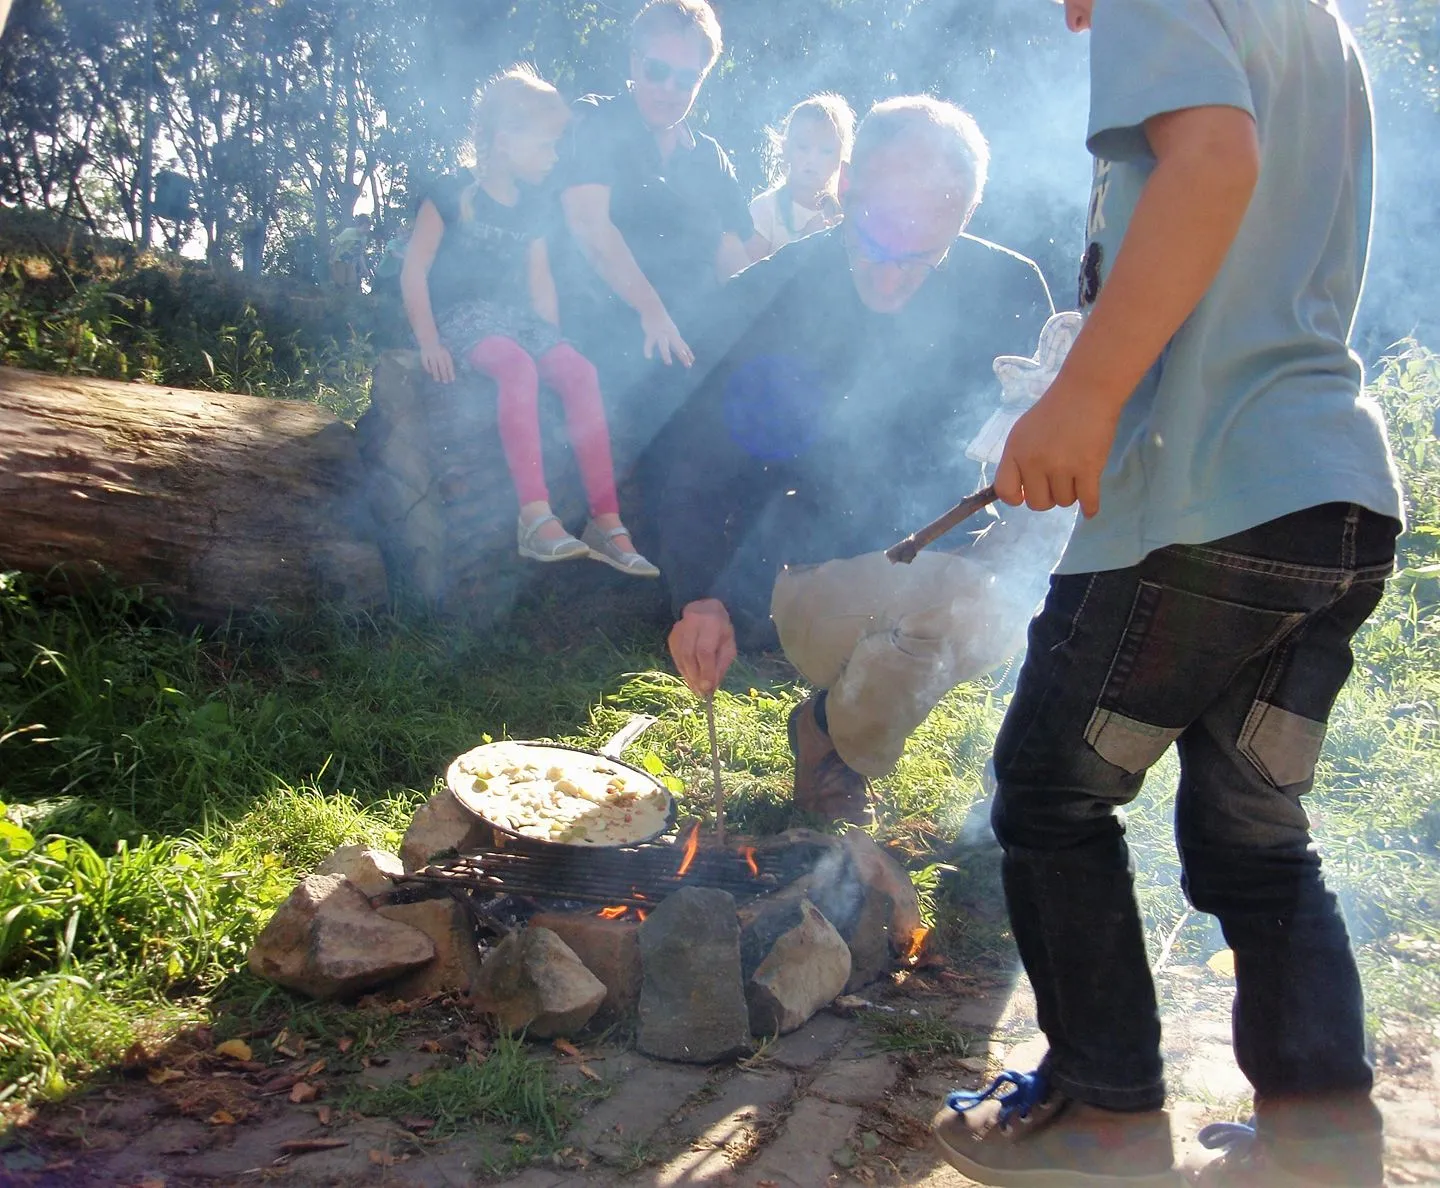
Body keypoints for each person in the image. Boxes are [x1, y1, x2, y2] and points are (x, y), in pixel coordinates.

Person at [930, 1, 1405, 1186]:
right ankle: (1319, 1142)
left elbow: (1212, 163)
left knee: (1052, 794)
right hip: (1331, 491)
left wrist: (1087, 398)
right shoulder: (1316, 23)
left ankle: (1103, 1117)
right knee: (1256, 836)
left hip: (1202, 492)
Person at [656, 96, 1059, 821]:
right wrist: (703, 594)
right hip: (808, 575)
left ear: (965, 218)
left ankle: (1032, 780)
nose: (892, 279)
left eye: (922, 259)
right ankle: (829, 741)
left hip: (953, 550)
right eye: (874, 244)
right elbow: (696, 457)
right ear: (844, 189)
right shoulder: (772, 294)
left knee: (1023, 578)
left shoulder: (1009, 287)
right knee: (971, 606)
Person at [399, 65, 658, 576]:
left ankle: (606, 521)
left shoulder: (534, 204)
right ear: (505, 139)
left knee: (579, 371)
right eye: (546, 145)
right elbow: (414, 270)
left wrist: (553, 345)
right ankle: (535, 518)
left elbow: (541, 283)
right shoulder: (451, 193)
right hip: (461, 318)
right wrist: (427, 340)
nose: (555, 156)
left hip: (514, 320)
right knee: (516, 366)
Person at [550, 0, 766, 461]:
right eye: (657, 70)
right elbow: (589, 225)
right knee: (677, 415)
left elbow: (734, 258)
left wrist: (757, 327)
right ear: (634, 62)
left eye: (686, 78)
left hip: (692, 332)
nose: (669, 88)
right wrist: (652, 311)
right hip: (611, 323)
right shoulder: (597, 121)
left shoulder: (710, 157)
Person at [748, 94, 854, 259]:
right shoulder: (765, 209)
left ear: (840, 158)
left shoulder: (847, 213)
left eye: (826, 151)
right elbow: (750, 274)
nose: (812, 159)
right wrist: (804, 245)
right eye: (803, 147)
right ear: (786, 149)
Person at [329, 213, 371, 291]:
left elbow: (360, 254)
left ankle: (347, 296)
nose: (366, 230)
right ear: (358, 226)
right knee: (340, 283)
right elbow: (336, 244)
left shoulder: (364, 238)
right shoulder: (348, 232)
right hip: (340, 260)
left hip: (351, 263)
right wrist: (331, 259)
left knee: (352, 284)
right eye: (365, 228)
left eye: (368, 228)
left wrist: (364, 268)